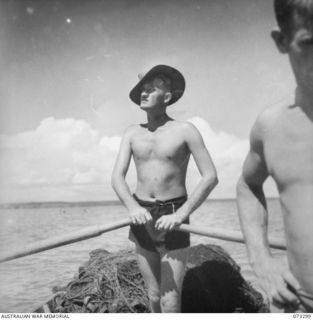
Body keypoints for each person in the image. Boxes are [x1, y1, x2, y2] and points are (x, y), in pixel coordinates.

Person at [111, 65, 218, 313]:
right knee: (155, 296)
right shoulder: (131, 133)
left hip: (174, 216)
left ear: (167, 97)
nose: (143, 94)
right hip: (142, 215)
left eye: (150, 89)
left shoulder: (186, 130)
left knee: (171, 300)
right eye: (141, 91)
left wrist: (181, 214)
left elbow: (210, 176)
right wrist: (133, 207)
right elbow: (117, 177)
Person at [236, 0, 313, 313]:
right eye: (310, 43)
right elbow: (247, 186)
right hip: (301, 306)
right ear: (282, 42)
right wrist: (261, 259)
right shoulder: (271, 126)